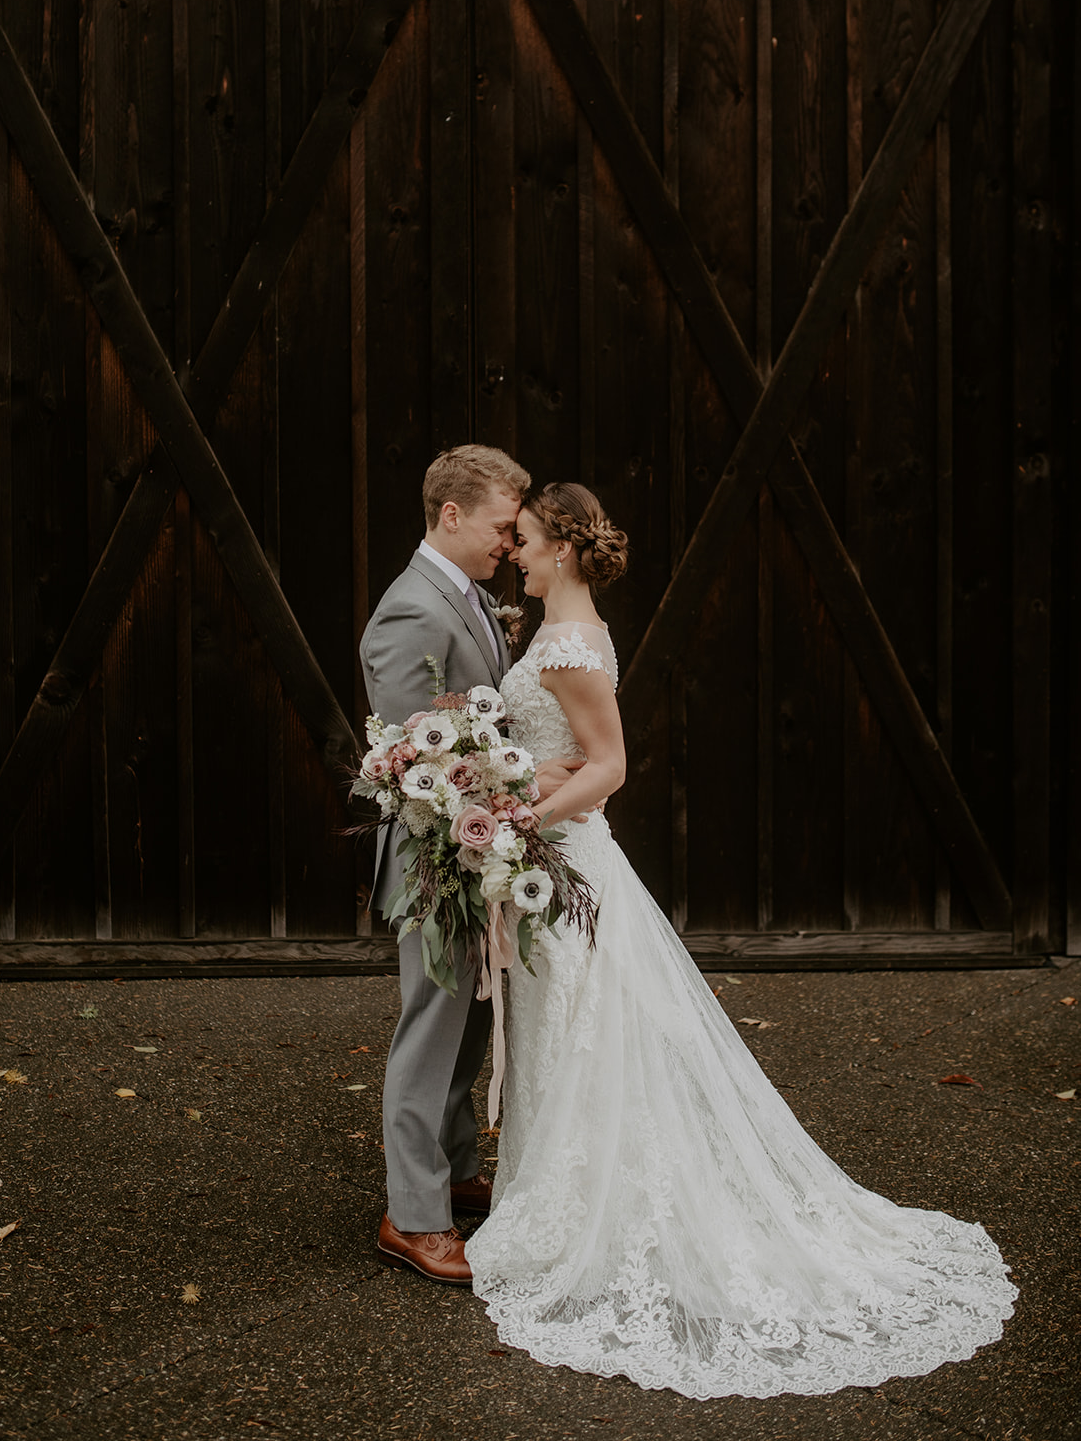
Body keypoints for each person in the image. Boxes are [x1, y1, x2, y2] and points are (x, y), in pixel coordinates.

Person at [465, 481, 1017, 1400]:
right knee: (573, 1029)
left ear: (560, 547)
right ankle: (559, 1198)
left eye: (522, 539)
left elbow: (610, 767)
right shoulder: (565, 635)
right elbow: (566, 751)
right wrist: (518, 781)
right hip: (552, 860)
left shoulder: (567, 646)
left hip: (566, 862)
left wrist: (522, 821)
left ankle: (590, 1214)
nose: (514, 552)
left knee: (583, 1027)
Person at [360, 445, 578, 1286]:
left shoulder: (464, 596)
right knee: (432, 1028)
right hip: (436, 856)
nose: (506, 544)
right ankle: (410, 1218)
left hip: (479, 846)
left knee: (472, 1024)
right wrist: (533, 777)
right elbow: (420, 755)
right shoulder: (411, 612)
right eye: (497, 527)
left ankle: (452, 1174)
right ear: (450, 516)